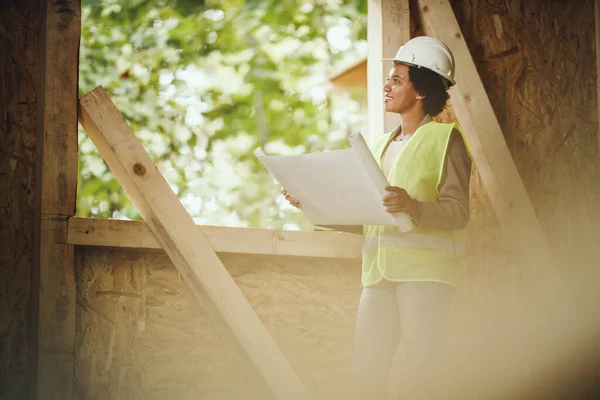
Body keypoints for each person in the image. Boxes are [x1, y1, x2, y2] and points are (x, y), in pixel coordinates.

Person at [282, 36, 471, 399]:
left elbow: (458, 212)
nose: (387, 85)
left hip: (425, 275)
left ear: (421, 91)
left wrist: (413, 206)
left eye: (397, 79)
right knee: (366, 374)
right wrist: (311, 203)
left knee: (419, 375)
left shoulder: (447, 140)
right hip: (378, 275)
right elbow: (368, 217)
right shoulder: (379, 145)